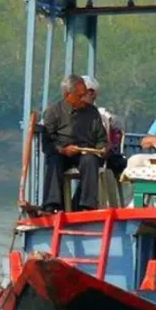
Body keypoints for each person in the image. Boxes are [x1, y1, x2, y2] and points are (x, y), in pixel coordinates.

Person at [40, 74, 108, 213]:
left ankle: (86, 206)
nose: (83, 99)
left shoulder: (92, 112)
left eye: (85, 94)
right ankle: (52, 205)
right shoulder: (53, 112)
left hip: (85, 152)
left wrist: (102, 148)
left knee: (90, 161)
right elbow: (47, 143)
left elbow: (101, 138)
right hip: (62, 153)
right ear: (67, 95)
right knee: (54, 161)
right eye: (79, 96)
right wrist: (63, 150)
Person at [82, 75, 127, 178]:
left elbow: (106, 145)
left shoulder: (101, 116)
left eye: (92, 93)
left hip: (95, 156)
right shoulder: (66, 112)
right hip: (75, 155)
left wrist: (103, 149)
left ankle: (82, 195)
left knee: (91, 162)